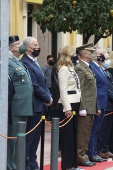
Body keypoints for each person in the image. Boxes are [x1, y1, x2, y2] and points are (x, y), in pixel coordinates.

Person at [21, 36, 53, 170]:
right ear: (28, 47)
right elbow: (34, 85)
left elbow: (43, 83)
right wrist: (47, 98)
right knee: (29, 139)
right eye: (35, 44)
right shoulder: (25, 62)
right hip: (34, 105)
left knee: (35, 140)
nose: (38, 47)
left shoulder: (34, 62)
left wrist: (48, 96)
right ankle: (27, 165)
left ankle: (33, 163)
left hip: (41, 106)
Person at [7, 35, 35, 170]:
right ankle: (10, 166)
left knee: (19, 139)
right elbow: (8, 86)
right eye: (17, 44)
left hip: (24, 105)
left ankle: (17, 165)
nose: (21, 46)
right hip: (16, 106)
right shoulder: (9, 62)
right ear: (11, 48)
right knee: (12, 139)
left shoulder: (18, 62)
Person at [57, 46, 81, 170]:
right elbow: (63, 90)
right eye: (73, 53)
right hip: (69, 105)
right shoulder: (63, 70)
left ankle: (73, 164)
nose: (76, 55)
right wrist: (67, 108)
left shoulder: (71, 68)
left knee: (73, 136)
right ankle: (67, 165)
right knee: (68, 137)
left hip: (76, 103)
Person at [75, 43, 98, 167]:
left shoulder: (88, 67)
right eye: (90, 52)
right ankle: (80, 157)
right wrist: (82, 107)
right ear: (84, 53)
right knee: (82, 134)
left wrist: (96, 106)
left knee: (87, 133)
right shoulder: (80, 68)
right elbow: (81, 90)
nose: (92, 53)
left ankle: (84, 155)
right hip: (85, 106)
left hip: (91, 106)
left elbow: (93, 90)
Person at [97, 51, 113, 158]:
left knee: (108, 130)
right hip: (106, 103)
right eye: (105, 58)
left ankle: (105, 148)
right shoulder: (100, 71)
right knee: (102, 129)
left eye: (107, 58)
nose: (106, 60)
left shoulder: (107, 72)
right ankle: (101, 149)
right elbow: (106, 88)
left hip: (111, 103)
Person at [87, 52, 108, 162]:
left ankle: (95, 151)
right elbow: (94, 88)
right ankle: (92, 152)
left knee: (98, 129)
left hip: (103, 102)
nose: (102, 56)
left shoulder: (98, 67)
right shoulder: (92, 67)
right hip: (97, 102)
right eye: (100, 54)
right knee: (94, 130)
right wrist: (97, 105)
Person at [42, 55, 54, 120]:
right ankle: (46, 115)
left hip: (51, 87)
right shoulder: (45, 68)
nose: (51, 61)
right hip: (47, 87)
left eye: (52, 60)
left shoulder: (52, 68)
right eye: (50, 60)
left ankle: (49, 115)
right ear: (47, 60)